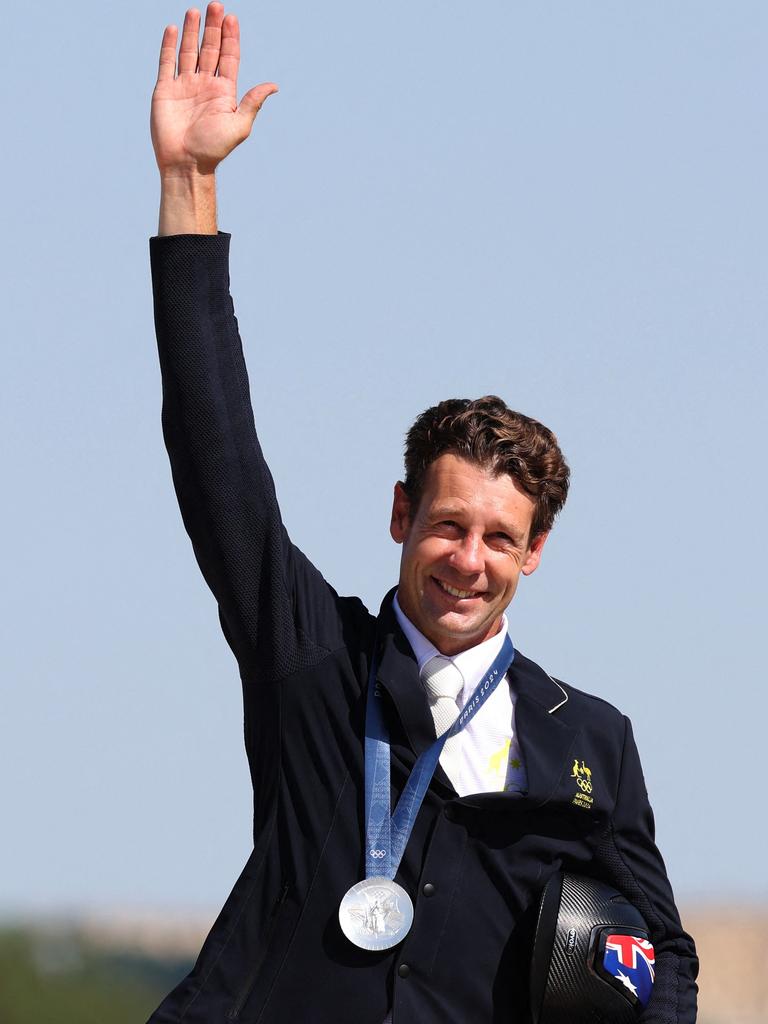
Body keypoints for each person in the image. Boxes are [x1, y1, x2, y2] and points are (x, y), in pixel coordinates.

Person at [147, 5, 698, 1022]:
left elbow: (660, 957)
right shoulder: (312, 659)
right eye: (448, 524)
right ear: (401, 513)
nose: (466, 559)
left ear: (535, 554)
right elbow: (217, 465)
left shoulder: (591, 744)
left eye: (499, 537)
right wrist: (191, 188)